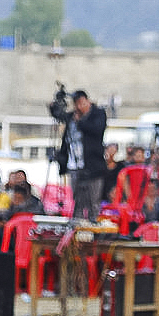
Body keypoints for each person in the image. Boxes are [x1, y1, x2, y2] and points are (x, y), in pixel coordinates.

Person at [53, 89, 107, 220]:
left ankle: (93, 229)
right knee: (78, 202)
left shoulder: (98, 114)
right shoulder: (72, 117)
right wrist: (55, 104)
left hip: (93, 167)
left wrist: (80, 121)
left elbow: (97, 130)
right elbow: (59, 115)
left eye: (81, 102)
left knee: (93, 202)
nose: (78, 106)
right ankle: (77, 227)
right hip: (75, 166)